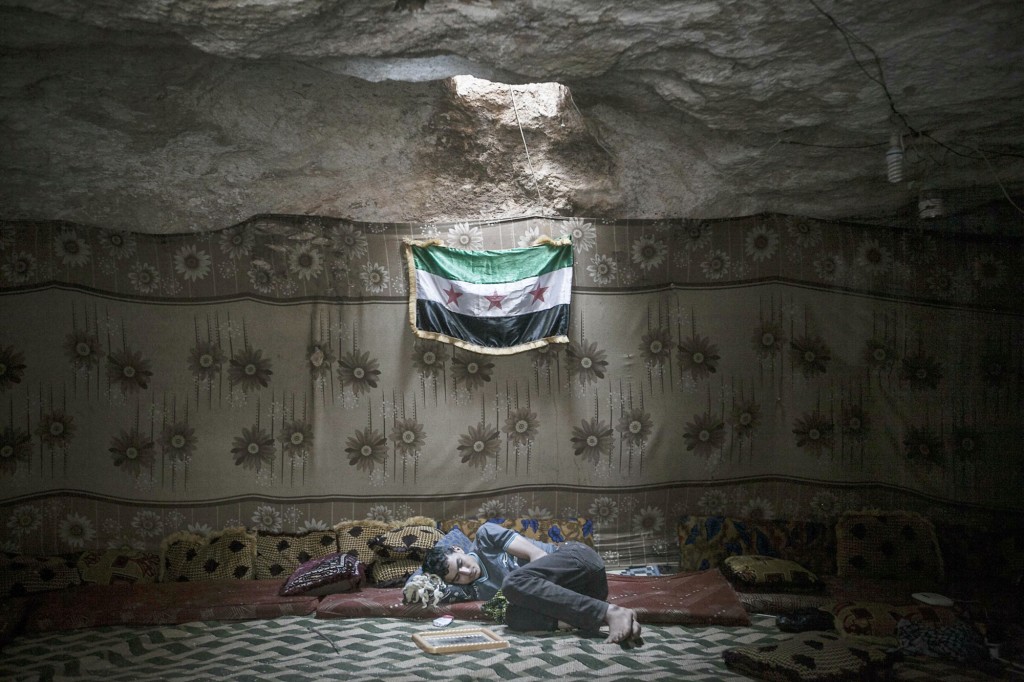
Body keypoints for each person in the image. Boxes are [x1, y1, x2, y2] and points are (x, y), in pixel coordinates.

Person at [421, 522, 642, 645]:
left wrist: (520, 590)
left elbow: (537, 555)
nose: (466, 572)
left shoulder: (485, 536)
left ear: (459, 550)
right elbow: (421, 588)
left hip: (578, 562)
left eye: (460, 563)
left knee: (512, 584)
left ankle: (608, 612)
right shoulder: (473, 589)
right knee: (512, 616)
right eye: (457, 577)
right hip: (586, 594)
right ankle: (601, 618)